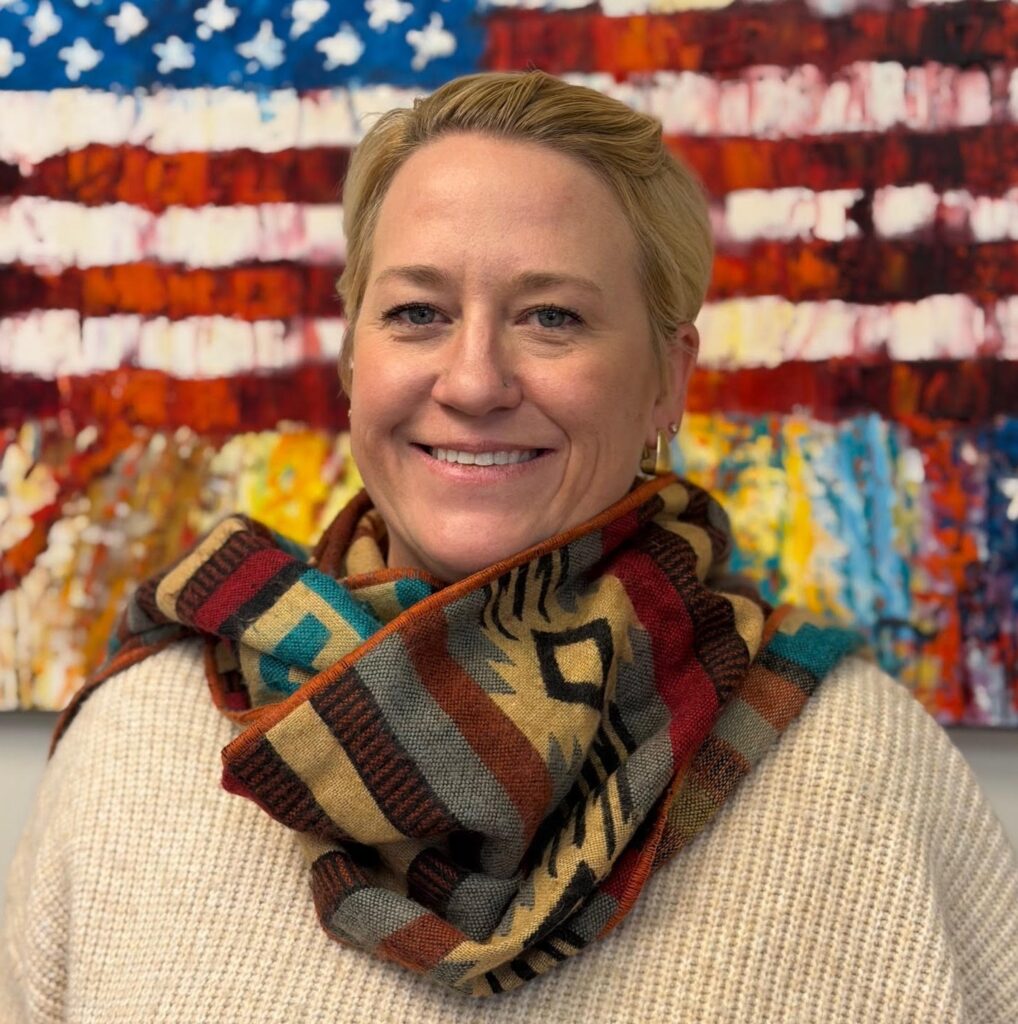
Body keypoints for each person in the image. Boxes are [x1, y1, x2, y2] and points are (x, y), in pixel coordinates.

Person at [3, 70, 1017, 1023]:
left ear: (666, 380)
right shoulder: (134, 744)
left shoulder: (862, 769)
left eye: (551, 317)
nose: (474, 381)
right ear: (353, 358)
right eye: (417, 313)